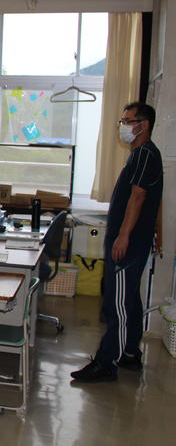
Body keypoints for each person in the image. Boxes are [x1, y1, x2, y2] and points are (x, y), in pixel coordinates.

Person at [71, 102, 163, 383]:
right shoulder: (140, 155)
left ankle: (106, 363)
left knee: (117, 304)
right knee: (130, 299)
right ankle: (130, 353)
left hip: (129, 242)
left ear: (142, 125)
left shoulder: (146, 154)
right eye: (122, 120)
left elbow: (138, 197)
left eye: (127, 121)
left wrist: (123, 236)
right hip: (132, 239)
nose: (122, 126)